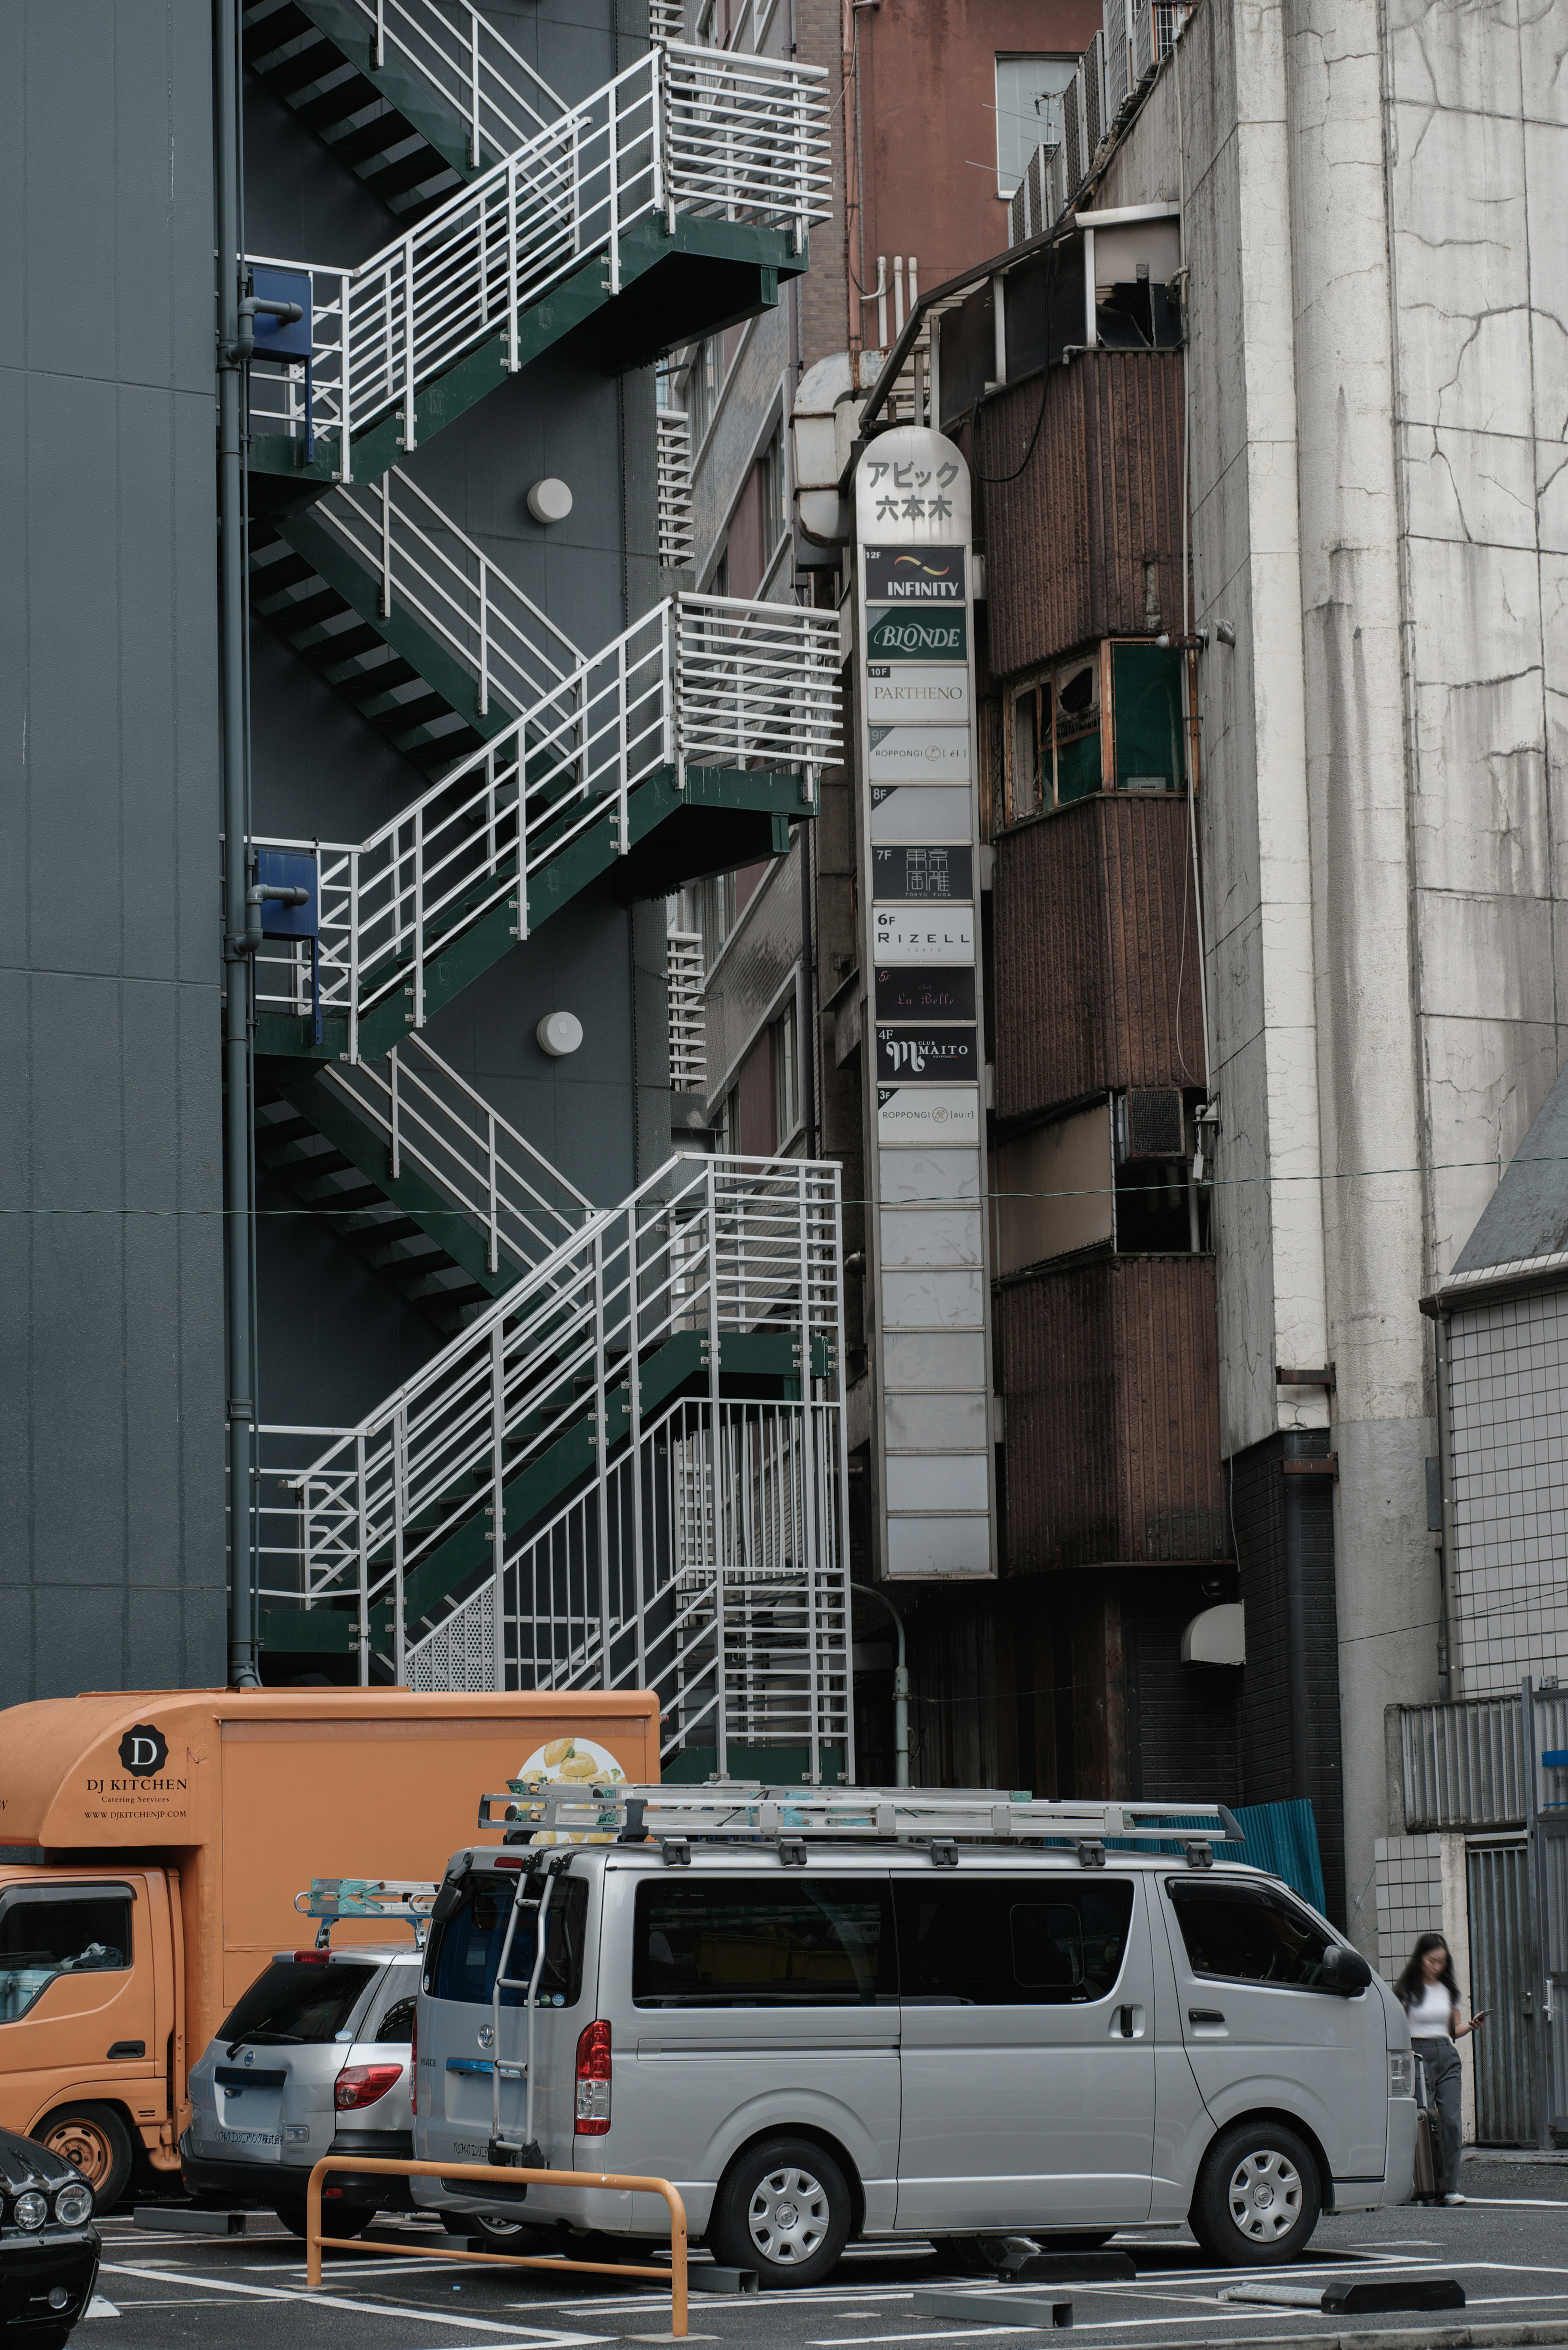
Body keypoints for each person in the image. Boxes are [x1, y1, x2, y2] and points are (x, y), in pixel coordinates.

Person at [1394, 1933, 1486, 2203]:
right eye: (1432, 1961)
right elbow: (1398, 2027)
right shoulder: (1406, 1990)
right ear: (1421, 1959)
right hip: (1416, 2055)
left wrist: (1470, 2027)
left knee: (1451, 2122)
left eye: (1442, 1962)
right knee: (1421, 2123)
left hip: (1446, 2055)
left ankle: (1450, 2189)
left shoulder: (1449, 1991)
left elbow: (1453, 2030)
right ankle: (1422, 2188)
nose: (1437, 1966)